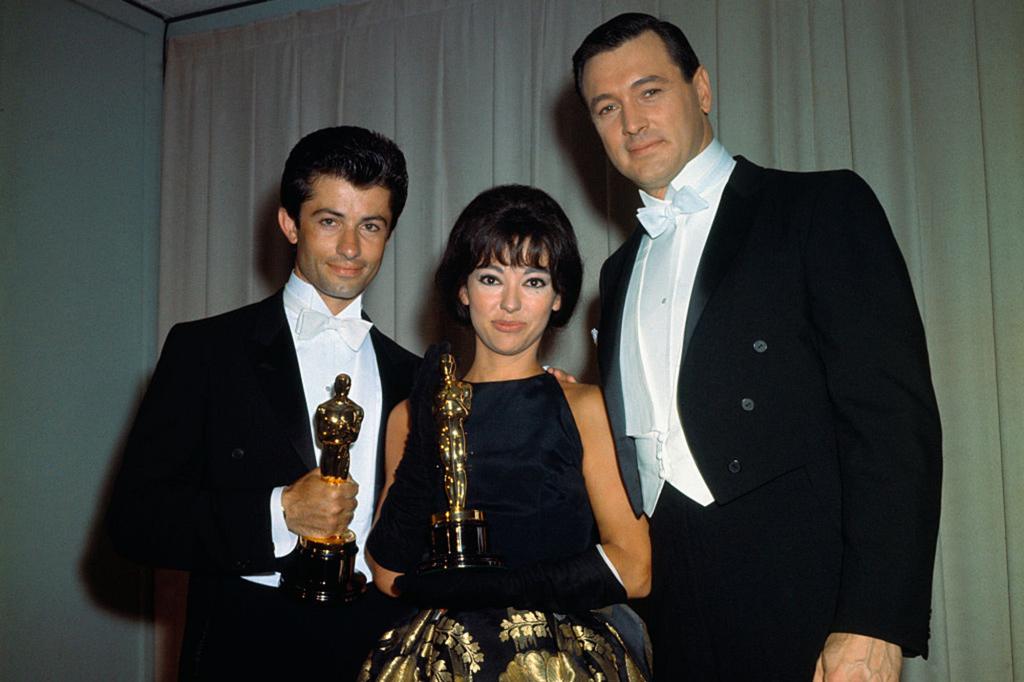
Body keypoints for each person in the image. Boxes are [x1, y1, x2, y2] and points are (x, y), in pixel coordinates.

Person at [572, 13, 942, 681]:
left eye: (649, 90)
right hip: (675, 610)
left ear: (702, 88)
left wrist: (874, 619)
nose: (630, 121)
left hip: (809, 599)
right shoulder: (616, 273)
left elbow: (891, 423)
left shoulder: (820, 207)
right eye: (607, 106)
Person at [107, 126, 420, 679]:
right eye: (330, 221)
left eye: (370, 226)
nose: (351, 248)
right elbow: (136, 520)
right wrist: (279, 512)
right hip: (245, 643)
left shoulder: (414, 375)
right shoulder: (205, 349)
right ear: (288, 223)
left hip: (380, 647)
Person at [359, 185, 652, 680]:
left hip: (562, 663)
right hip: (439, 662)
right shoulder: (412, 415)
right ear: (462, 289)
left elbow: (635, 566)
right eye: (491, 277)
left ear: (559, 297)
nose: (511, 303)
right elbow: (388, 573)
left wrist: (497, 588)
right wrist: (427, 432)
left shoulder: (586, 407)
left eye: (534, 281)